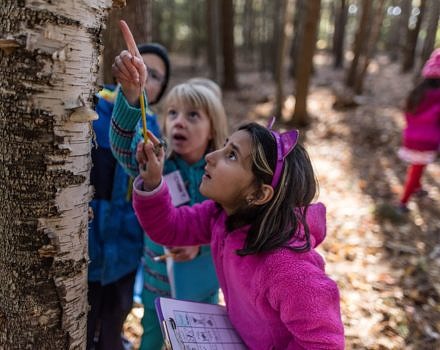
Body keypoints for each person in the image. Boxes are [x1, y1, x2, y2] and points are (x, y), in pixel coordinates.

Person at [132, 120, 345, 349]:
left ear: (259, 194)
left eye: (231, 155)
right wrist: (153, 181)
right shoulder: (221, 216)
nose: (211, 156)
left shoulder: (287, 267)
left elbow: (324, 343)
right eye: (224, 146)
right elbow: (170, 227)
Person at [111, 50, 228, 348]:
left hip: (202, 293)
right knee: (150, 340)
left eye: (192, 115)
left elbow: (233, 225)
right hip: (156, 288)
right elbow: (124, 143)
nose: (179, 122)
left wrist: (199, 243)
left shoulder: (225, 174)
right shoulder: (157, 162)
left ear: (213, 127)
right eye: (173, 113)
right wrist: (131, 95)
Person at [87, 42, 170, 350]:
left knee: (113, 323)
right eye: (140, 66)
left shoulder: (158, 128)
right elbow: (121, 133)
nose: (145, 76)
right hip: (87, 247)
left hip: (126, 251)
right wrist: (130, 97)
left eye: (156, 75)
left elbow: (140, 153)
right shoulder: (95, 104)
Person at [397, 48, 440, 213]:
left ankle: (418, 188)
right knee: (416, 169)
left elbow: (407, 114)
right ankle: (402, 203)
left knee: (418, 166)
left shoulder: (417, 92)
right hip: (427, 140)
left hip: (411, 137)